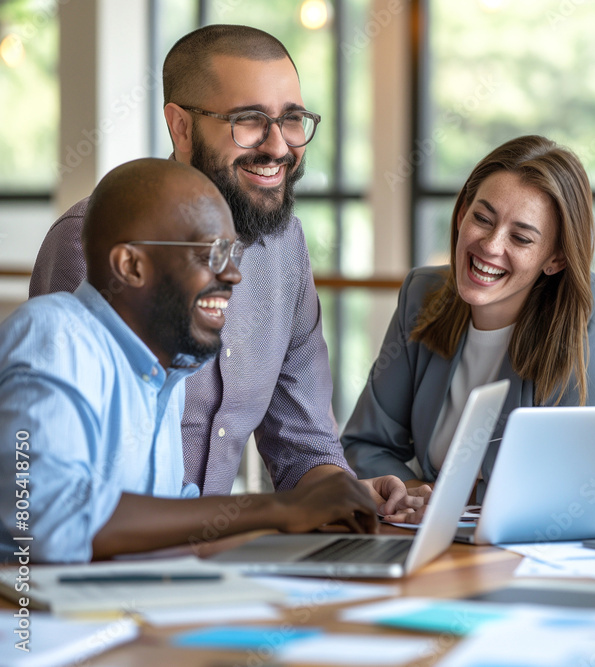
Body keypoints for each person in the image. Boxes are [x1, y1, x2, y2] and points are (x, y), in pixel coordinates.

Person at [29, 25, 423, 516]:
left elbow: (304, 446)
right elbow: (56, 502)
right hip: (98, 573)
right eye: (250, 120)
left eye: (293, 118)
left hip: (206, 564)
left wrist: (344, 496)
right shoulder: (96, 243)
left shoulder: (285, 245)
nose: (279, 147)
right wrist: (262, 517)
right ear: (181, 128)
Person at [1, 159, 383, 564]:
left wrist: (312, 542)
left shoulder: (165, 373)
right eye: (211, 253)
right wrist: (281, 508)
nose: (233, 274)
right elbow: (51, 522)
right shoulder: (54, 336)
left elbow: (180, 526)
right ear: (130, 266)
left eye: (232, 252)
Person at [343, 135, 595, 490]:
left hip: (530, 541)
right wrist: (414, 493)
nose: (491, 246)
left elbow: (575, 477)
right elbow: (364, 445)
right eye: (483, 218)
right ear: (462, 215)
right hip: (427, 535)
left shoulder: (586, 311)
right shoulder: (422, 295)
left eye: (520, 238)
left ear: (556, 258)